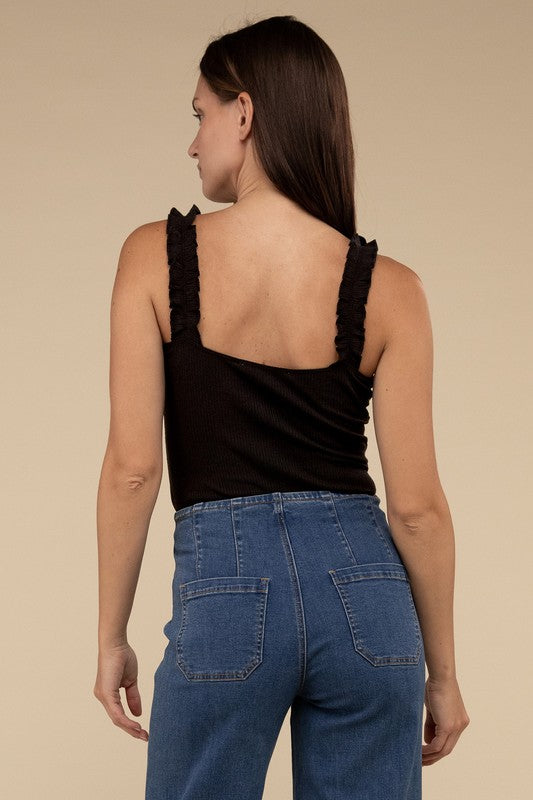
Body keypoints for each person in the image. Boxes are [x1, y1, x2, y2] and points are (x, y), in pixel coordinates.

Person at [93, 14, 469, 800]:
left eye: (199, 115)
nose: (194, 142)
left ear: (244, 110)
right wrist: (441, 674)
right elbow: (418, 511)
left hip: (225, 598)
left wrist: (110, 637)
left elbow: (133, 471)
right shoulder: (391, 287)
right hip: (368, 600)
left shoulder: (153, 258)